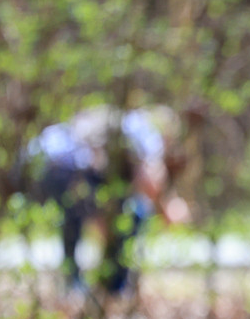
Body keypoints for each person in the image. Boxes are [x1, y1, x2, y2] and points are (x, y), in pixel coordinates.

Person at [21, 104, 190, 296]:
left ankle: (80, 284)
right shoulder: (146, 132)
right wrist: (167, 207)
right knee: (136, 213)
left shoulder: (126, 123)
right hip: (66, 168)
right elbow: (150, 181)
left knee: (76, 221)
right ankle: (112, 287)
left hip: (38, 162)